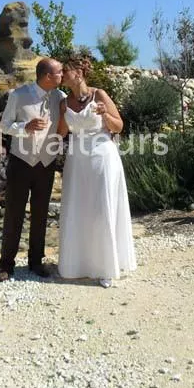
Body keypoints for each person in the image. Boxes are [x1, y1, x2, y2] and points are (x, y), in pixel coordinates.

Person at [56, 54, 136, 288]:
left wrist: (105, 115)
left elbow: (118, 126)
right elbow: (61, 133)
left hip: (103, 156)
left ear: (78, 73)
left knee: (103, 206)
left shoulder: (99, 94)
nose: (62, 76)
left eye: (65, 72)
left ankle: (106, 267)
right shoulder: (64, 103)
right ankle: (78, 264)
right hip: (76, 160)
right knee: (78, 208)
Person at [0, 58, 65, 283]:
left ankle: (36, 262)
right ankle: (6, 265)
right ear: (47, 76)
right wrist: (25, 127)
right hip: (21, 162)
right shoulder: (18, 95)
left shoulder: (60, 97)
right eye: (59, 72)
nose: (62, 75)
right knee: (14, 214)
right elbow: (5, 125)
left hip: (46, 163)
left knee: (41, 214)